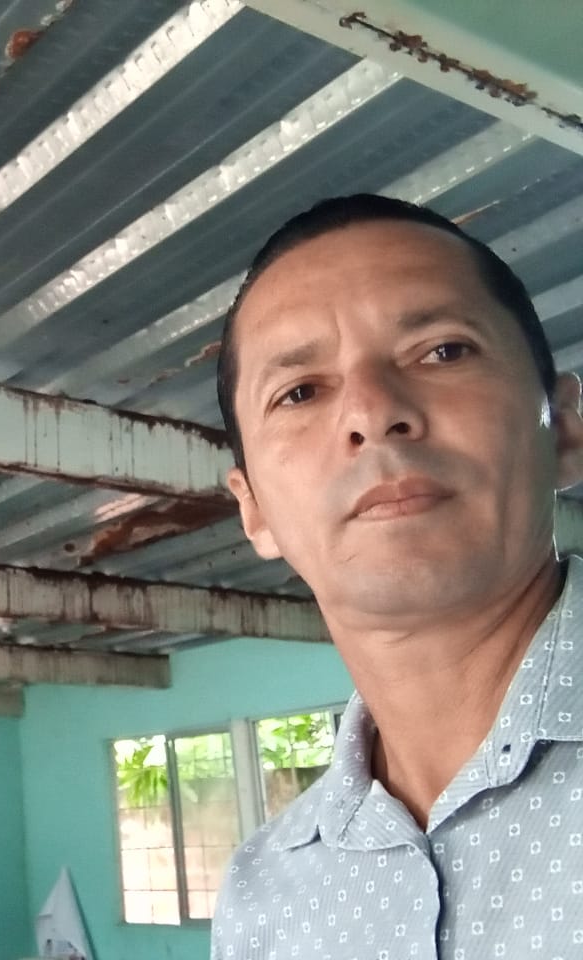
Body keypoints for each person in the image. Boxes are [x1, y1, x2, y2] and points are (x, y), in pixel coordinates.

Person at [209, 194, 583, 959]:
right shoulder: (264, 893)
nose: (373, 412)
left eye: (442, 351)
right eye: (299, 391)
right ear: (254, 512)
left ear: (567, 428)